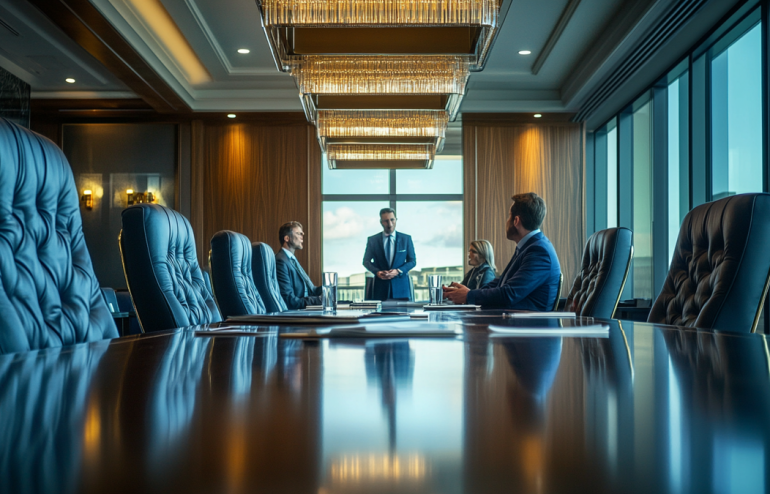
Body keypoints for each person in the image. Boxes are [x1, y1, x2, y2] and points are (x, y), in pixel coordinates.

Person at [443, 192, 560, 310]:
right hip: (513, 319)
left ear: (516, 221)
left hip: (525, 325)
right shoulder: (528, 247)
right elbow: (500, 283)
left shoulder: (538, 251)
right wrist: (468, 293)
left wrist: (469, 296)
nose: (507, 221)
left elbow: (509, 294)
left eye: (509, 216)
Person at [363, 208, 416, 301]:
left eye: (392, 220)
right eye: (386, 221)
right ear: (381, 222)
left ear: (396, 220)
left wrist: (398, 271)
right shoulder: (373, 240)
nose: (390, 224)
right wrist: (377, 272)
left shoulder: (406, 239)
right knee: (379, 315)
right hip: (380, 289)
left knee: (403, 315)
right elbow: (366, 261)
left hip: (401, 289)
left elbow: (412, 261)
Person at [275, 221, 322, 310]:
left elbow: (312, 290)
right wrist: (319, 300)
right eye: (299, 233)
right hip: (297, 314)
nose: (302, 237)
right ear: (287, 238)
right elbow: (290, 301)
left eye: (302, 234)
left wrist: (329, 288)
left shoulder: (292, 260)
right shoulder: (280, 261)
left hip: (306, 310)